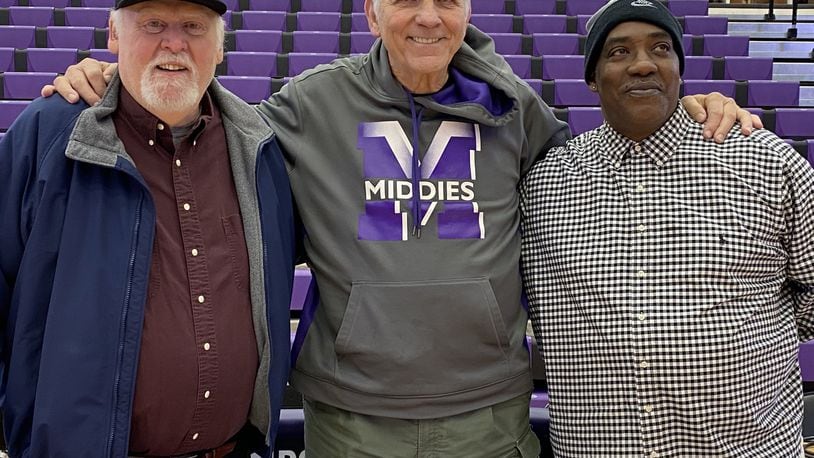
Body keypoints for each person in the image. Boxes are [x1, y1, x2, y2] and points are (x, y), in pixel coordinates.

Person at [44, 0, 759, 456]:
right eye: (406, 0)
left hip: (488, 414)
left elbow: (606, 157)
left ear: (466, 11)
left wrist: (692, 107)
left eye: (445, 0)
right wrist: (112, 80)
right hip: (353, 419)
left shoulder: (515, 109)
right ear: (371, 12)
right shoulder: (310, 103)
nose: (427, 17)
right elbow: (195, 110)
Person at [0, 0, 298, 455]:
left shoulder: (257, 145)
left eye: (194, 27)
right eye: (153, 24)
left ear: (220, 47)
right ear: (114, 36)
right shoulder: (47, 134)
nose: (173, 43)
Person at [519, 1, 814, 456]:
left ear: (679, 68)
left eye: (660, 48)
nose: (642, 64)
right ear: (592, 79)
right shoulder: (544, 184)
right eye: (618, 53)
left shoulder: (766, 163)